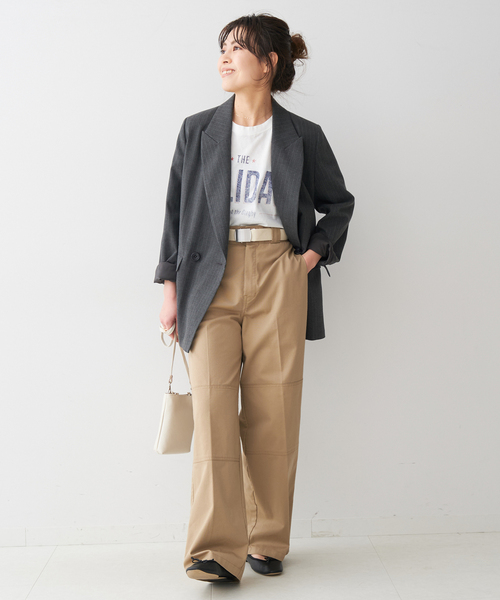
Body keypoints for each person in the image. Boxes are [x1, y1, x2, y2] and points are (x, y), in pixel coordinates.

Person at [155, 13, 355, 583]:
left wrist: (307, 261)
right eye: (222, 46)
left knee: (274, 412)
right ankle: (216, 550)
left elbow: (338, 205)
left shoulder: (302, 135)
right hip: (208, 275)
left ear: (268, 64)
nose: (224, 56)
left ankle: (266, 538)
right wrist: (169, 287)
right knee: (214, 412)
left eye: (237, 48)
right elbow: (174, 214)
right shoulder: (197, 130)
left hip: (278, 271)